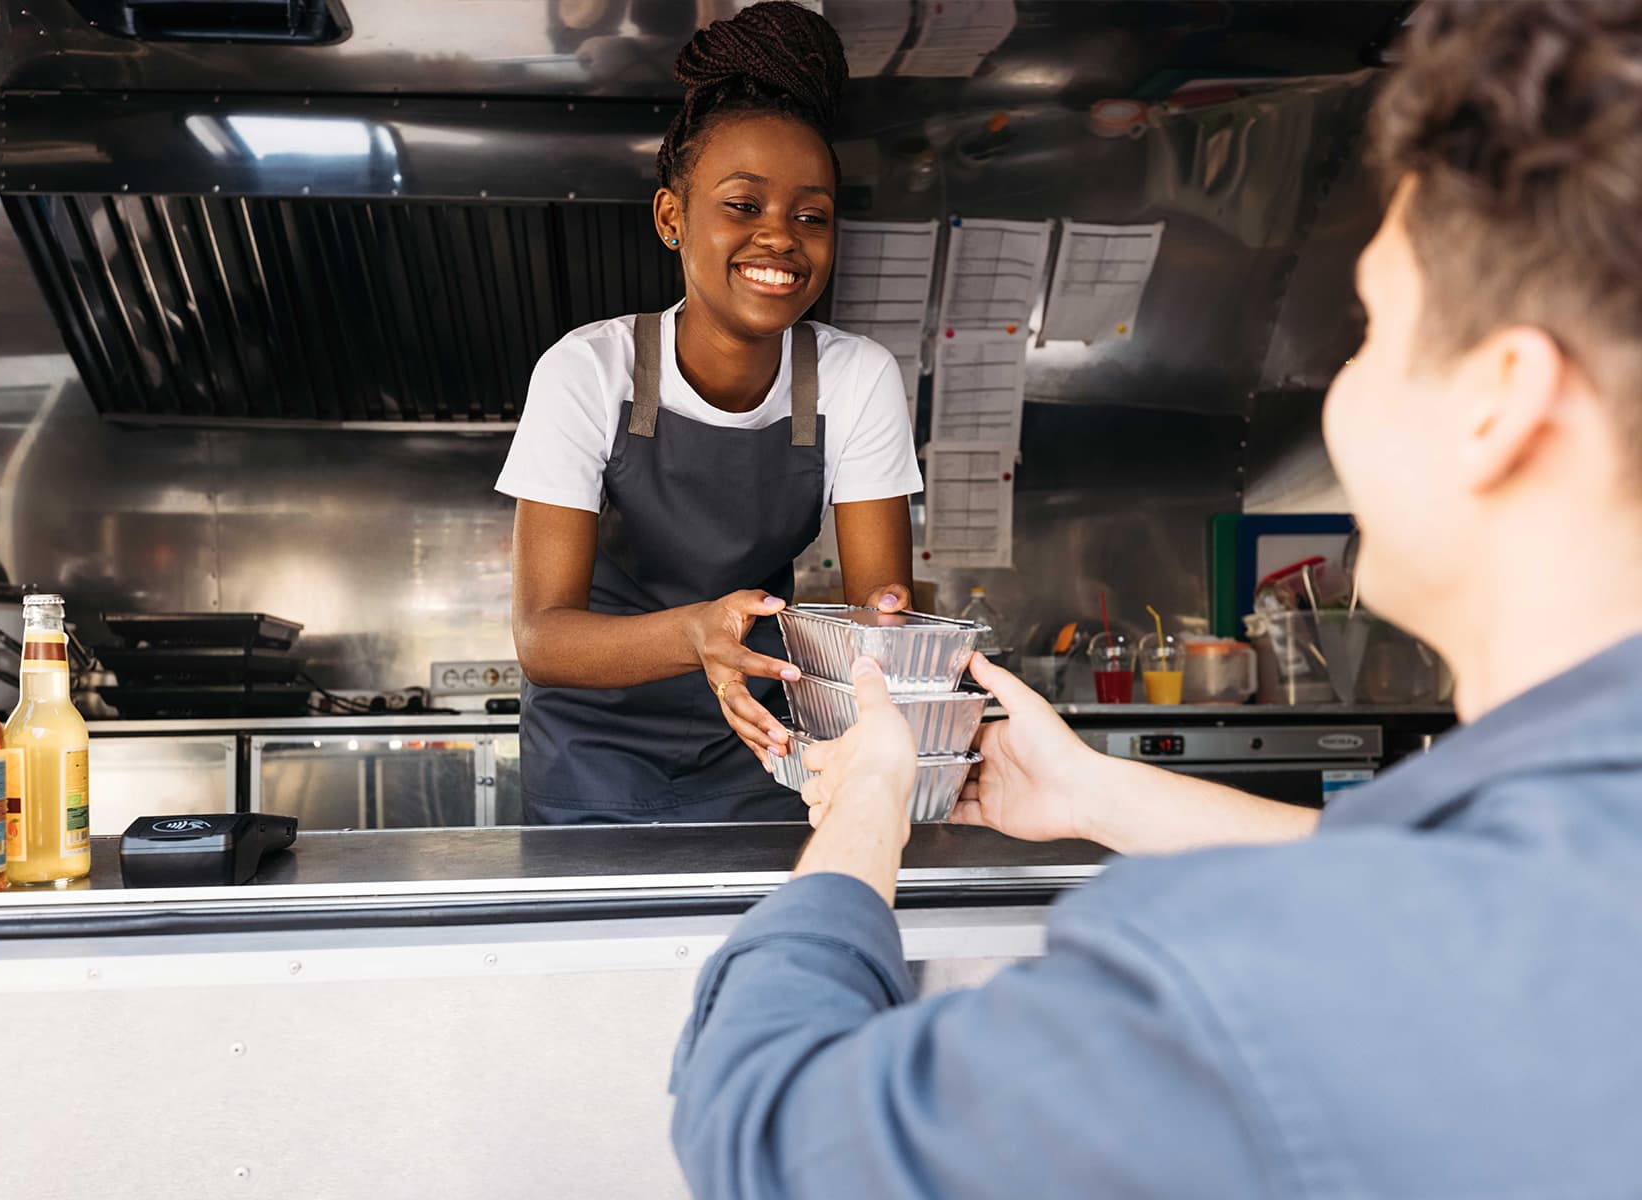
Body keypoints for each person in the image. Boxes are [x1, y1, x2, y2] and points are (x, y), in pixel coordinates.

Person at [669, 1, 1642, 1194]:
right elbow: (1432, 888)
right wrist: (1091, 789)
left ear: (1501, 401)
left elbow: (774, 1141)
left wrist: (868, 801)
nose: (1338, 397)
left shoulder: (1230, 991)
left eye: (1373, 334)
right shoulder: (1563, 871)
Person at [498, 2, 921, 826]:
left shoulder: (855, 379)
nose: (781, 240)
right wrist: (697, 633)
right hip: (593, 762)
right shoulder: (590, 372)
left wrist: (899, 646)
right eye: (742, 205)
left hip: (768, 749)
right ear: (671, 219)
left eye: (812, 215)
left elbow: (883, 620)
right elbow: (542, 641)